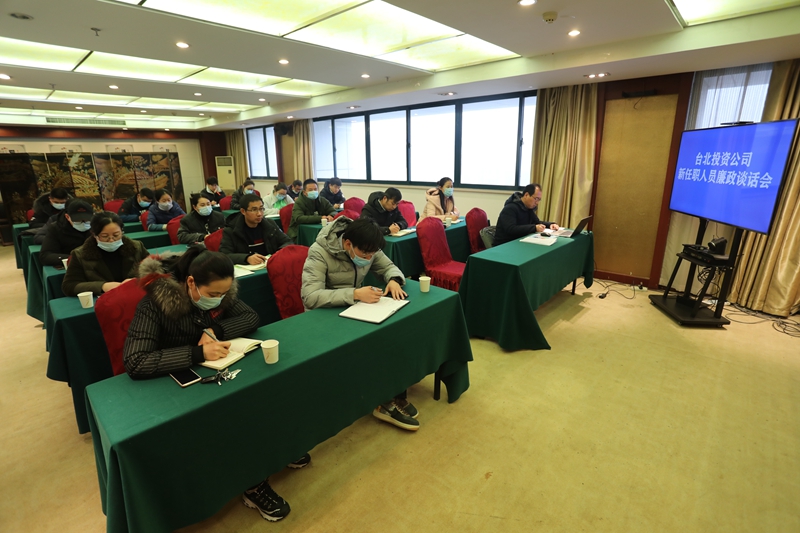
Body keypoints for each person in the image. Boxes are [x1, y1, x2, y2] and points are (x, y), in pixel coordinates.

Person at [123, 247, 306, 522]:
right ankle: (253, 483)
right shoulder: (154, 305)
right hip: (175, 384)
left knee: (263, 394)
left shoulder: (221, 291)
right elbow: (136, 362)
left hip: (218, 370)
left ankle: (276, 452)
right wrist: (198, 353)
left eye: (224, 293)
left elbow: (250, 317)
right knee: (232, 416)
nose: (219, 299)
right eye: (213, 294)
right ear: (191, 282)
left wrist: (214, 330)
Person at [301, 217, 418, 431]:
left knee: (394, 333)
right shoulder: (319, 252)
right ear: (348, 244)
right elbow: (310, 296)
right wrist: (354, 294)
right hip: (324, 317)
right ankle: (383, 403)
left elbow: (388, 267)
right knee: (373, 344)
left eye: (372, 255)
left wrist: (393, 280)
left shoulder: (367, 245)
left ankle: (394, 393)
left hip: (355, 309)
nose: (369, 258)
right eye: (365, 255)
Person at [61, 211, 149, 296]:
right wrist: (103, 286)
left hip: (135, 295)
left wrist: (136, 281)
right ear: (94, 235)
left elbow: (154, 270)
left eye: (116, 235)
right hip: (103, 300)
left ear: (122, 231)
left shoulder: (136, 247)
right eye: (105, 236)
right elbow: (69, 286)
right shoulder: (80, 255)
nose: (111, 240)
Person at [220, 194, 292, 265]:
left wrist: (279, 253)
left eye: (261, 209)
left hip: (269, 264)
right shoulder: (231, 230)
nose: (259, 214)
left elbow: (287, 242)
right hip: (248, 268)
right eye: (254, 210)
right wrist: (246, 258)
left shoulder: (270, 224)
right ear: (243, 211)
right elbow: (224, 255)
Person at [494, 183, 560, 246]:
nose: (537, 203)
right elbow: (511, 229)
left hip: (520, 242)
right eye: (536, 199)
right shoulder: (510, 208)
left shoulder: (528, 208)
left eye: (539, 200)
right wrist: (534, 228)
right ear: (526, 195)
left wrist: (550, 225)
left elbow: (537, 222)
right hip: (505, 244)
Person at [40, 199, 95, 267]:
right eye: (77, 220)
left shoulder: (98, 226)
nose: (83, 223)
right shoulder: (56, 228)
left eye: (87, 220)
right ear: (67, 217)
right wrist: (74, 258)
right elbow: (45, 256)